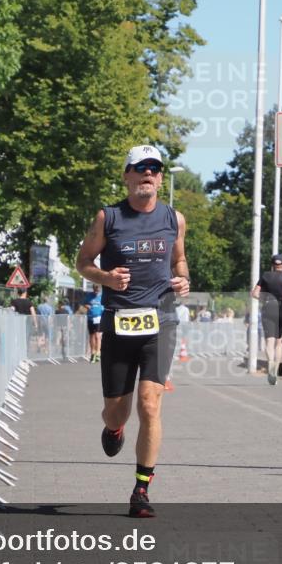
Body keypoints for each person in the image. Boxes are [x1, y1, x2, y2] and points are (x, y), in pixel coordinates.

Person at [75, 144, 189, 518]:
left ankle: (141, 489)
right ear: (126, 175)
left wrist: (183, 280)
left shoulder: (174, 219)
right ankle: (114, 429)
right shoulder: (108, 218)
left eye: (154, 168)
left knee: (150, 405)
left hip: (161, 320)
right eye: (140, 168)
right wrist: (105, 277)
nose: (148, 174)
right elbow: (83, 263)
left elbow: (180, 261)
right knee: (117, 412)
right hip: (119, 321)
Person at [251, 253, 282, 386]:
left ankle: (270, 364)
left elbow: (254, 293)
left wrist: (265, 299)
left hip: (268, 308)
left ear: (272, 265)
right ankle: (275, 370)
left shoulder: (265, 276)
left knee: (269, 341)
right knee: (279, 341)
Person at [85, 284, 105, 363]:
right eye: (95, 288)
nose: (97, 289)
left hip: (99, 318)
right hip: (90, 318)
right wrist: (88, 306)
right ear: (93, 288)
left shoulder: (102, 296)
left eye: (98, 288)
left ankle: (98, 353)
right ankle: (92, 353)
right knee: (92, 336)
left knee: (98, 336)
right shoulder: (89, 296)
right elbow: (85, 303)